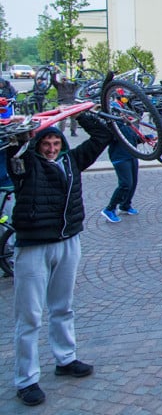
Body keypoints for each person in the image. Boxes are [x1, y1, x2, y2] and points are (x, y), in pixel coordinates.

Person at [5, 112, 113, 406]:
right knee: (29, 316)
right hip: (33, 246)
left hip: (68, 241)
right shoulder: (26, 165)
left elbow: (103, 137)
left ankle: (65, 359)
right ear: (38, 145)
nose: (51, 148)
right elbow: (13, 148)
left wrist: (80, 112)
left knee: (62, 307)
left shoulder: (72, 161)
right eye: (46, 143)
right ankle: (26, 380)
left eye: (56, 142)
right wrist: (25, 132)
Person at [100, 127, 140, 223]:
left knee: (133, 183)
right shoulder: (113, 124)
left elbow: (132, 139)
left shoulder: (127, 124)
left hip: (132, 156)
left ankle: (125, 205)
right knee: (126, 184)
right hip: (120, 157)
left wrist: (145, 138)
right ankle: (109, 209)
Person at [52, 70, 79, 137]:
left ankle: (73, 131)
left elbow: (78, 80)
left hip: (72, 103)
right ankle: (60, 132)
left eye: (65, 79)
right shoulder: (59, 85)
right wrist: (54, 73)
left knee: (74, 119)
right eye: (63, 79)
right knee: (63, 119)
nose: (64, 80)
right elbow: (53, 80)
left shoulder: (72, 85)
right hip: (63, 103)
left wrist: (79, 70)